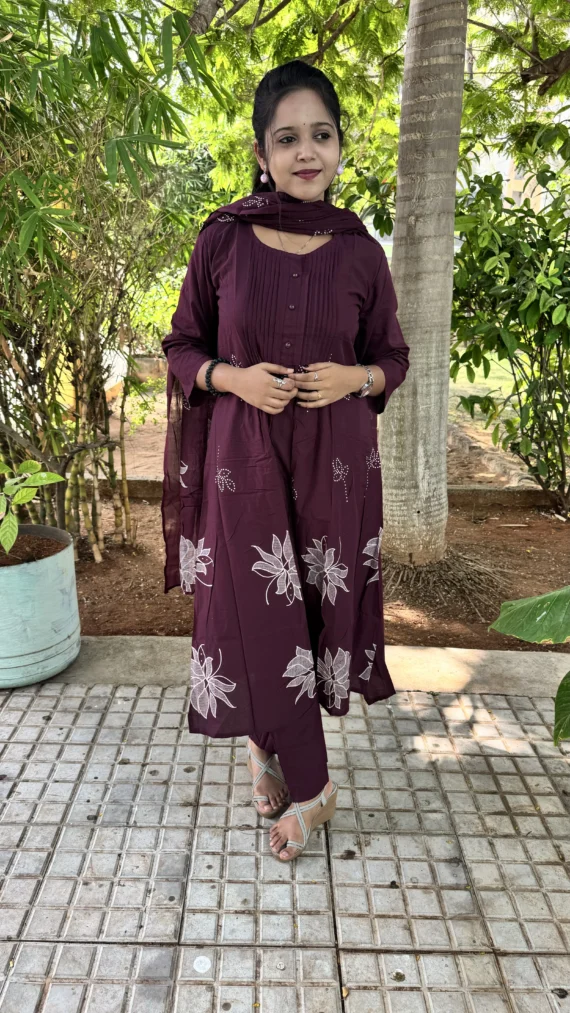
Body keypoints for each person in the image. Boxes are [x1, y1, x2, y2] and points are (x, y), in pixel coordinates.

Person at [161, 59, 409, 862]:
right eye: (288, 138)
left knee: (310, 615)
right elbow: (182, 344)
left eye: (321, 135)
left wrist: (355, 379)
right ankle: (316, 786)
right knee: (258, 613)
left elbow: (393, 358)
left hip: (335, 469)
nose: (307, 152)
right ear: (261, 153)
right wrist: (233, 377)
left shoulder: (360, 253)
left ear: (340, 146)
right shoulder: (223, 239)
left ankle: (264, 747)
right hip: (245, 463)